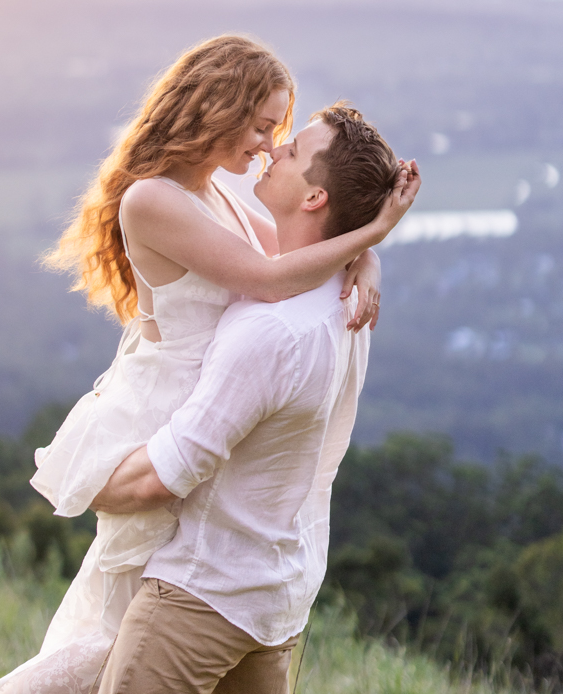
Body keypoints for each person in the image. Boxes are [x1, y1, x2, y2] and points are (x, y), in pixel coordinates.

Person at [0, 36, 417, 694]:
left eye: (279, 135)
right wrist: (373, 234)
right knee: (115, 642)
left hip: (204, 413)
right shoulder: (151, 200)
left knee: (119, 647)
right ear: (216, 107)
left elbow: (301, 253)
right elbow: (267, 278)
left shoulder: (219, 194)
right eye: (263, 128)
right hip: (158, 415)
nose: (267, 146)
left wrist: (363, 256)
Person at [90, 101, 419, 694]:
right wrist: (366, 252)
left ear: (315, 199)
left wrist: (87, 482)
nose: (273, 149)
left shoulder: (272, 331)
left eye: (291, 151)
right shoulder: (344, 297)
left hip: (202, 592)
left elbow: (169, 471)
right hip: (277, 597)